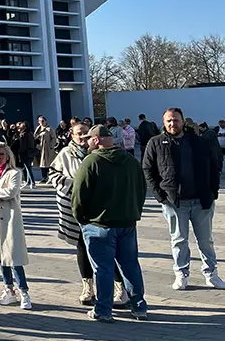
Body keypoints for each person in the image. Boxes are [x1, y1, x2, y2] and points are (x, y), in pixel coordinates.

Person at [72, 125, 149, 322]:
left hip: (100, 225)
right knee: (130, 265)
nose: (86, 142)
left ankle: (103, 310)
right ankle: (139, 307)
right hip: (127, 222)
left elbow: (79, 195)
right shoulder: (130, 160)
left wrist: (81, 218)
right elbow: (142, 188)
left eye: (89, 139)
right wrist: (133, 212)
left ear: (96, 140)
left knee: (103, 268)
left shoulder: (91, 161)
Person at [142, 108, 225, 290]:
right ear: (164, 123)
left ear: (183, 121)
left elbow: (215, 165)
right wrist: (160, 195)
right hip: (174, 202)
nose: (173, 123)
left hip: (201, 201)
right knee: (179, 240)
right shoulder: (156, 143)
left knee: (206, 241)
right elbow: (148, 170)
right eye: (169, 121)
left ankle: (211, 274)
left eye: (176, 120)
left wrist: (213, 191)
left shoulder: (199, 142)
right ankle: (181, 273)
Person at [49, 121, 128, 306]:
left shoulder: (100, 152)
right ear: (72, 135)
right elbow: (52, 174)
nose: (82, 137)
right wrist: (74, 186)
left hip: (100, 209)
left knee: (106, 248)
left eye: (86, 132)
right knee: (82, 247)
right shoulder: (66, 153)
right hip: (75, 208)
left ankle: (120, 287)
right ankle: (88, 287)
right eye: (78, 133)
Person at [0, 142, 33, 310]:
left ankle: (24, 291)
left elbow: (11, 192)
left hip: (10, 218)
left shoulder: (15, 173)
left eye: (2, 154)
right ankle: (9, 289)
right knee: (0, 255)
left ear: (8, 156)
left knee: (14, 256)